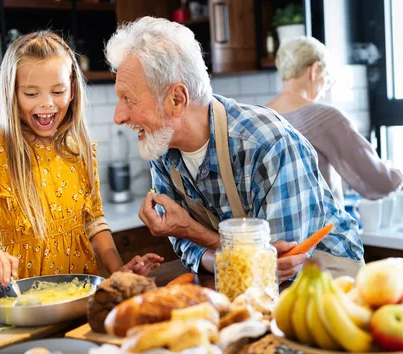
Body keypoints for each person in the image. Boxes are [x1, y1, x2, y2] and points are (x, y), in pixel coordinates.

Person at [104, 17, 364, 281]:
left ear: (177, 99)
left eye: (129, 98)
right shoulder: (162, 147)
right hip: (247, 286)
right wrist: (224, 255)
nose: (118, 116)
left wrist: (193, 230)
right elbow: (189, 249)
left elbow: (281, 265)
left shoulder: (267, 143)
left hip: (324, 282)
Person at [0, 31, 162, 287]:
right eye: (31, 94)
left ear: (72, 90)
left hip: (82, 297)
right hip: (22, 304)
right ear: (12, 95)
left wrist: (119, 271)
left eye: (58, 91)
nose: (47, 103)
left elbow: (93, 222)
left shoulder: (78, 150)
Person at [266, 37, 403, 206]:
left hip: (271, 230)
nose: (325, 89)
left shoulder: (259, 117)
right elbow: (377, 181)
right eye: (327, 78)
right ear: (314, 70)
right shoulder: (325, 117)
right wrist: (401, 175)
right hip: (321, 230)